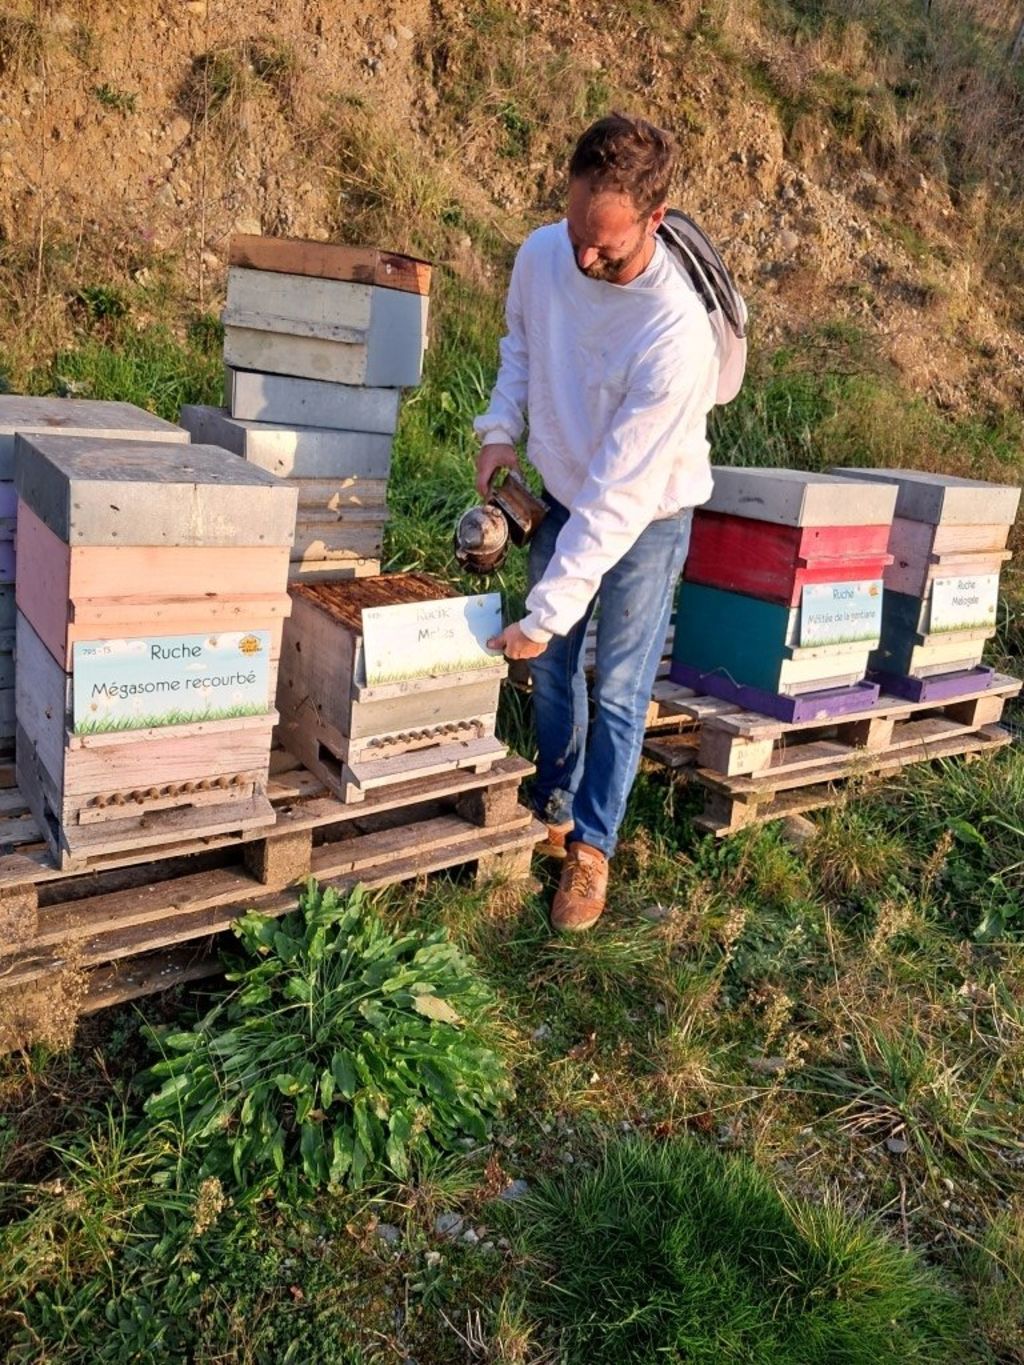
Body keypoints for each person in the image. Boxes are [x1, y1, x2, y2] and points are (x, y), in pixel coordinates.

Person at [475, 113, 719, 933]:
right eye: (579, 228)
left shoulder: (676, 334)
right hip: (565, 486)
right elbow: (522, 347)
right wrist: (501, 428)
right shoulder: (545, 253)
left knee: (616, 684)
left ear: (655, 220)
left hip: (646, 512)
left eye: (606, 246)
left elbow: (619, 499)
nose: (585, 256)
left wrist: (544, 612)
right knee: (551, 669)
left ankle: (595, 846)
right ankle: (553, 799)